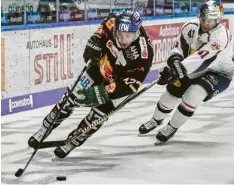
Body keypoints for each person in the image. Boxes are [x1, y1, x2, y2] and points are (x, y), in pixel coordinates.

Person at [28, 9, 154, 158]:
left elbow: (130, 86)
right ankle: (45, 128)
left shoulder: (143, 54)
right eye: (120, 34)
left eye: (128, 36)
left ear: (137, 33)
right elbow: (99, 35)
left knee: (98, 114)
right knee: (70, 97)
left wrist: (100, 93)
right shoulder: (113, 21)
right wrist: (93, 46)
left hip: (120, 85)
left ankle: (74, 140)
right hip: (100, 68)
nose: (123, 40)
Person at [139, 0, 234, 143]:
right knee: (169, 95)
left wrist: (177, 70)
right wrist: (174, 62)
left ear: (218, 19)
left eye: (210, 20)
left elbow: (202, 59)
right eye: (203, 19)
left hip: (218, 72)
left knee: (194, 95)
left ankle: (172, 126)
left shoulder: (220, 37)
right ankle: (156, 120)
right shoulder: (190, 27)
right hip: (191, 67)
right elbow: (178, 48)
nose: (206, 23)